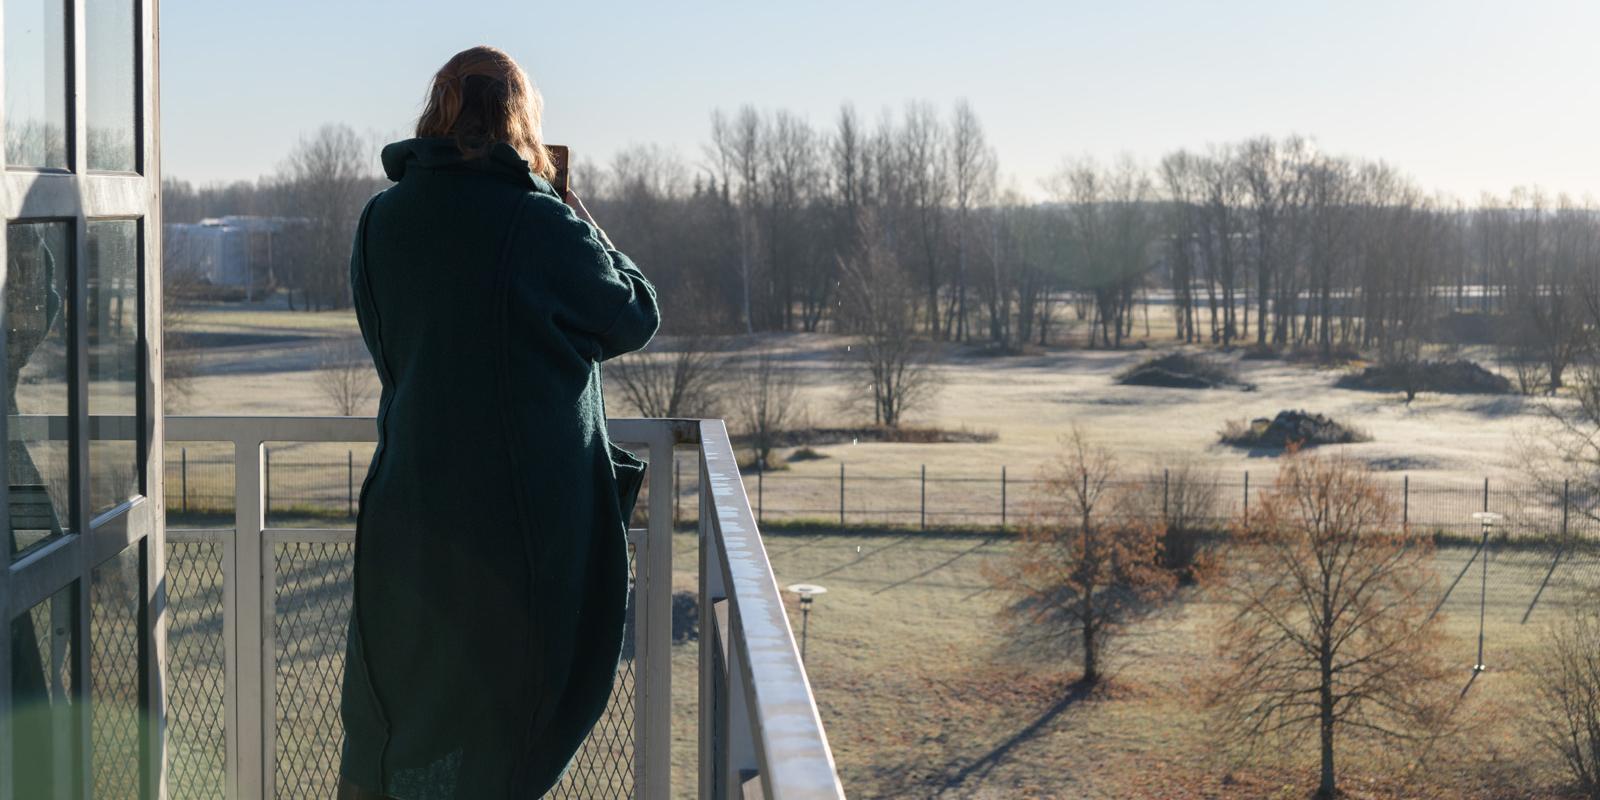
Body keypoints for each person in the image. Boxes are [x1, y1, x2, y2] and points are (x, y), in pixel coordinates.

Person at [337, 45, 659, 799]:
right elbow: (634, 313)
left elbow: (395, 347)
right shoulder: (537, 220)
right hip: (513, 531)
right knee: (504, 728)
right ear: (523, 122)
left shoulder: (380, 220)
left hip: (406, 510)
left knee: (400, 710)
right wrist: (573, 208)